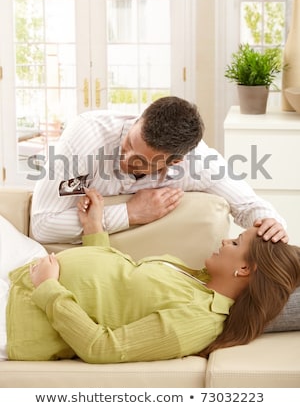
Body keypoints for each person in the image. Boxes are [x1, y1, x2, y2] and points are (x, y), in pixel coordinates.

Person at [1, 189, 299, 362]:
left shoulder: (197, 321)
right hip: (31, 266)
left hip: (18, 313)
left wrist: (50, 288)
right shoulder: (196, 278)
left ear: (244, 269)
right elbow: (120, 280)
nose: (225, 241)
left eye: (235, 242)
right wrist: (94, 228)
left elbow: (102, 347)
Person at [31, 96, 288, 245]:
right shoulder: (85, 136)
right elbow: (42, 225)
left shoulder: (197, 163)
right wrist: (130, 213)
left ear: (174, 162)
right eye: (129, 143)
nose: (126, 157)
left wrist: (273, 223)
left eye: (141, 160)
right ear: (139, 119)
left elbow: (249, 206)